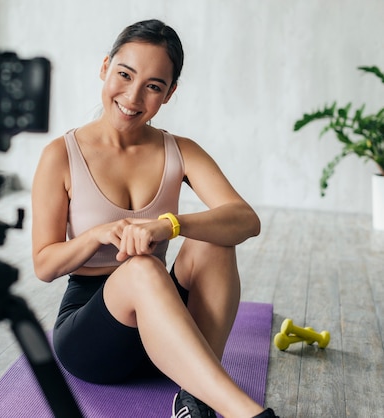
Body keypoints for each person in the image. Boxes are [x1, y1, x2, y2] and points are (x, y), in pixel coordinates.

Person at [31, 19, 278, 418]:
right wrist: (97, 235)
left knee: (213, 240)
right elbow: (44, 265)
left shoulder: (180, 150)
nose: (132, 96)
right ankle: (245, 413)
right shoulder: (60, 155)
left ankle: (193, 396)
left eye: (153, 86)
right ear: (105, 67)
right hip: (92, 337)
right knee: (143, 268)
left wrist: (170, 224)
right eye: (124, 75)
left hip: (166, 332)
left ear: (169, 93)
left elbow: (245, 220)